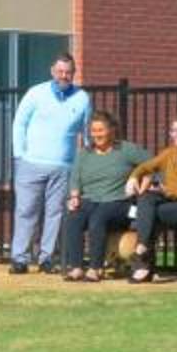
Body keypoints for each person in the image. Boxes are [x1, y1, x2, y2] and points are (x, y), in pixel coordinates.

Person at [8, 54, 90, 273]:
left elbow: (87, 132)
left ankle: (46, 259)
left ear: (74, 73)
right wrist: (19, 155)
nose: (64, 76)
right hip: (30, 164)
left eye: (69, 72)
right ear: (52, 71)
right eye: (60, 71)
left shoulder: (82, 98)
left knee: (56, 214)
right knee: (26, 211)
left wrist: (83, 163)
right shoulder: (36, 93)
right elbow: (19, 124)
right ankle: (20, 259)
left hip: (64, 167)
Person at [62, 110, 150, 281]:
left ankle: (96, 268)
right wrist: (74, 197)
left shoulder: (126, 149)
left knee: (98, 219)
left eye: (100, 130)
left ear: (111, 130)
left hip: (119, 202)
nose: (96, 135)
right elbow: (75, 178)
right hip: (90, 199)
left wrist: (139, 181)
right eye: (93, 131)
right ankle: (76, 267)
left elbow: (152, 164)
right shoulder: (84, 153)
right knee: (73, 217)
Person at [122, 113, 177, 282]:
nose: (172, 135)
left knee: (149, 213)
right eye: (172, 131)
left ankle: (144, 264)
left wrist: (169, 191)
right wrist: (133, 177)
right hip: (170, 202)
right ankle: (142, 250)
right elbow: (145, 167)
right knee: (146, 198)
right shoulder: (169, 153)